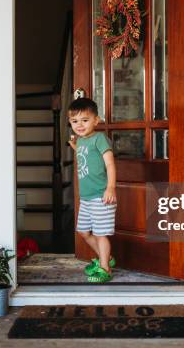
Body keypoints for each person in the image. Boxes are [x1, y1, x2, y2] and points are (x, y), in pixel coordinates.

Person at [67, 98, 117, 283]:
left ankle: (105, 268)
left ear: (96, 120)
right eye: (75, 121)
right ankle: (106, 258)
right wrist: (75, 146)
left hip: (101, 196)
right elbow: (85, 155)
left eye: (85, 120)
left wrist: (110, 187)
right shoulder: (81, 141)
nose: (79, 125)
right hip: (87, 198)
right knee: (83, 232)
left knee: (99, 233)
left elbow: (110, 164)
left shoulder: (100, 139)